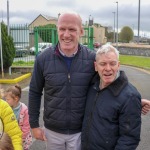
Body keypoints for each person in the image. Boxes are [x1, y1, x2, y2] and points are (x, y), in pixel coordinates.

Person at [28, 11, 150, 150]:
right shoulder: (42, 59)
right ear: (58, 30)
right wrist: (34, 124)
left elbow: (109, 81)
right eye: (62, 29)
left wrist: (132, 101)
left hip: (81, 132)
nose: (66, 34)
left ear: (81, 32)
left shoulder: (92, 59)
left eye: (72, 29)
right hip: (52, 132)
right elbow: (35, 92)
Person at [81, 44, 142, 150]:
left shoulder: (130, 97)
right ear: (96, 66)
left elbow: (129, 139)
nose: (108, 68)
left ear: (118, 65)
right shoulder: (91, 87)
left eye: (112, 64)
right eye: (103, 64)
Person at [4, 85, 32, 150]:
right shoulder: (6, 108)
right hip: (9, 137)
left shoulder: (24, 110)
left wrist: (20, 139)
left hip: (21, 139)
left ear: (16, 99)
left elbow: (26, 127)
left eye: (7, 99)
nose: (6, 101)